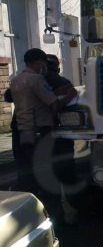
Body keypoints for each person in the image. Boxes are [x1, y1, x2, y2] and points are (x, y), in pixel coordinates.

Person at [9, 49, 76, 196]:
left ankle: (29, 201)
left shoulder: (16, 80)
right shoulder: (37, 79)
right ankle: (52, 210)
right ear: (38, 62)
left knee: (29, 171)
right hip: (40, 132)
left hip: (23, 131)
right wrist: (70, 95)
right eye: (43, 62)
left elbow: (31, 100)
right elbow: (54, 105)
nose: (44, 65)